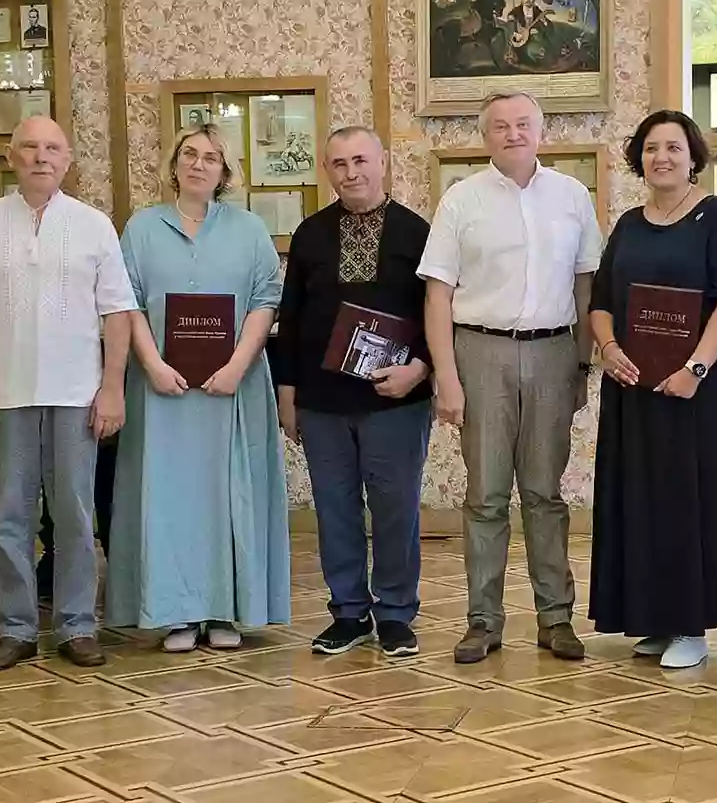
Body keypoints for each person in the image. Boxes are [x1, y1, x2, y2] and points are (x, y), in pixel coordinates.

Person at [0, 115, 138, 672]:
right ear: (10, 156)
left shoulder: (94, 226)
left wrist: (113, 388)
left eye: (52, 148)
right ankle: (16, 627)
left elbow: (118, 312)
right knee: (10, 516)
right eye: (29, 147)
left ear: (68, 160)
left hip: (77, 393)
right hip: (3, 395)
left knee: (74, 513)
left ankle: (76, 625)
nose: (41, 157)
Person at [418, 90, 603, 664]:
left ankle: (556, 618)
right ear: (485, 136)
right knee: (486, 494)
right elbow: (437, 293)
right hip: (481, 354)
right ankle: (483, 620)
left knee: (546, 494)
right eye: (500, 126)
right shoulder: (461, 200)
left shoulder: (572, 196)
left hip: (553, 355)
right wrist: (446, 377)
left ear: (541, 131)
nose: (513, 133)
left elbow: (586, 285)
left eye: (523, 123)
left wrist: (581, 363)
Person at [588, 110, 717, 670]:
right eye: (650, 148)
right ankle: (656, 617)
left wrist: (694, 369)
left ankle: (693, 624)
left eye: (672, 147)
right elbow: (601, 302)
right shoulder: (627, 224)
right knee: (643, 502)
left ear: (693, 157)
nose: (661, 157)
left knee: (696, 500)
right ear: (638, 158)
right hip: (637, 389)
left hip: (702, 392)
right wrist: (609, 349)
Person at [107, 124, 290, 653]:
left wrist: (237, 364)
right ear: (173, 164)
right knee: (169, 498)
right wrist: (151, 364)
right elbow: (128, 302)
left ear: (225, 171)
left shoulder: (249, 229)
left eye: (211, 157)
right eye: (189, 154)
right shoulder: (141, 228)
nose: (199, 164)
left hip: (231, 389)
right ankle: (177, 613)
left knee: (227, 496)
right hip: (163, 391)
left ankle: (226, 610)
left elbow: (265, 300)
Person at [276, 126, 434, 659]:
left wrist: (422, 370)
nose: (352, 173)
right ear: (328, 171)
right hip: (322, 402)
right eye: (339, 164)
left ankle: (394, 613)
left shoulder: (419, 233)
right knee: (334, 509)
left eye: (361, 160)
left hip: (396, 399)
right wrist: (287, 392)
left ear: (383, 162)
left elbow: (441, 316)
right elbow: (291, 320)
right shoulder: (310, 235)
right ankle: (347, 612)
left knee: (395, 508)